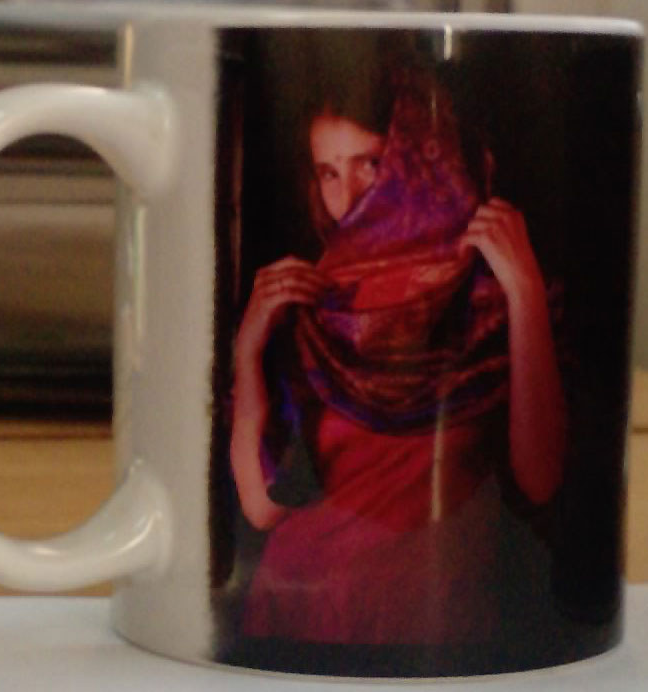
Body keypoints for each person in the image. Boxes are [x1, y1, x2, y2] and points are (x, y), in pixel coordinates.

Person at [230, 60, 566, 645]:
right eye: (328, 172)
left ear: (423, 157)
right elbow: (262, 509)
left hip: (436, 628)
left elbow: (541, 481)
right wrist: (248, 347)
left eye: (370, 163)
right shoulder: (314, 303)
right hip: (302, 617)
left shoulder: (487, 291)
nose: (348, 196)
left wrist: (524, 293)